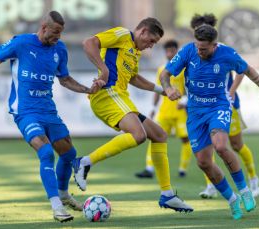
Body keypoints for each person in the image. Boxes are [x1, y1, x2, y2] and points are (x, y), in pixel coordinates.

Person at [0, 11, 102, 223]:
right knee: (47, 152)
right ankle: (57, 207)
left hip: (49, 111)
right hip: (25, 111)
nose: (58, 37)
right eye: (55, 33)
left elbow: (65, 79)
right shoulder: (21, 43)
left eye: (61, 33)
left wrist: (87, 90)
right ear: (44, 27)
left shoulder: (60, 49)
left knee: (69, 155)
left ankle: (64, 194)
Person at [72, 18, 193, 213]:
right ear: (143, 31)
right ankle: (84, 162)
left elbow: (135, 79)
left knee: (160, 135)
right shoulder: (122, 34)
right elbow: (89, 43)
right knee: (139, 135)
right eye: (151, 41)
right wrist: (103, 69)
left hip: (121, 98)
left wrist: (164, 91)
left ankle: (167, 194)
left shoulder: (134, 51)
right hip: (107, 95)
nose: (150, 46)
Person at [160, 24, 259, 219]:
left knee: (221, 146)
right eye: (197, 47)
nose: (199, 51)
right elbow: (165, 74)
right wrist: (168, 88)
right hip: (195, 113)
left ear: (214, 46)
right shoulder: (188, 51)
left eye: (203, 49)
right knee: (204, 162)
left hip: (218, 107)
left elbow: (250, 72)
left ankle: (245, 191)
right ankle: (232, 200)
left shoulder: (227, 54)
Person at [189, 14, 259, 199]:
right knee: (209, 148)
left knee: (236, 145)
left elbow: (242, 71)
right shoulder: (194, 51)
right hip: (202, 106)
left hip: (226, 103)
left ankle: (253, 179)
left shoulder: (224, 51)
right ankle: (211, 185)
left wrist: (232, 91)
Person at [135, 40, 192, 179]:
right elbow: (157, 89)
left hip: (180, 112)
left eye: (172, 51)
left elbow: (189, 88)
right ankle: (149, 168)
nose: (170, 53)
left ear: (177, 51)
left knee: (186, 140)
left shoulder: (184, 69)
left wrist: (185, 101)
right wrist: (153, 107)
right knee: (154, 137)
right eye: (167, 51)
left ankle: (182, 169)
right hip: (164, 111)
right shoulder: (162, 69)